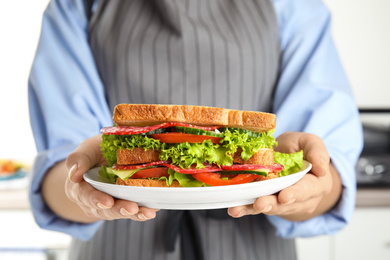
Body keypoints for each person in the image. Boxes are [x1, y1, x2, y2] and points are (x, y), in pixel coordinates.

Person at [28, 0, 363, 259]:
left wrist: (309, 189)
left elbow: (325, 176)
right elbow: (62, 170)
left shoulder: (294, 4)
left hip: (256, 246)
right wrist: (80, 189)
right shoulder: (78, 4)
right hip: (115, 245)